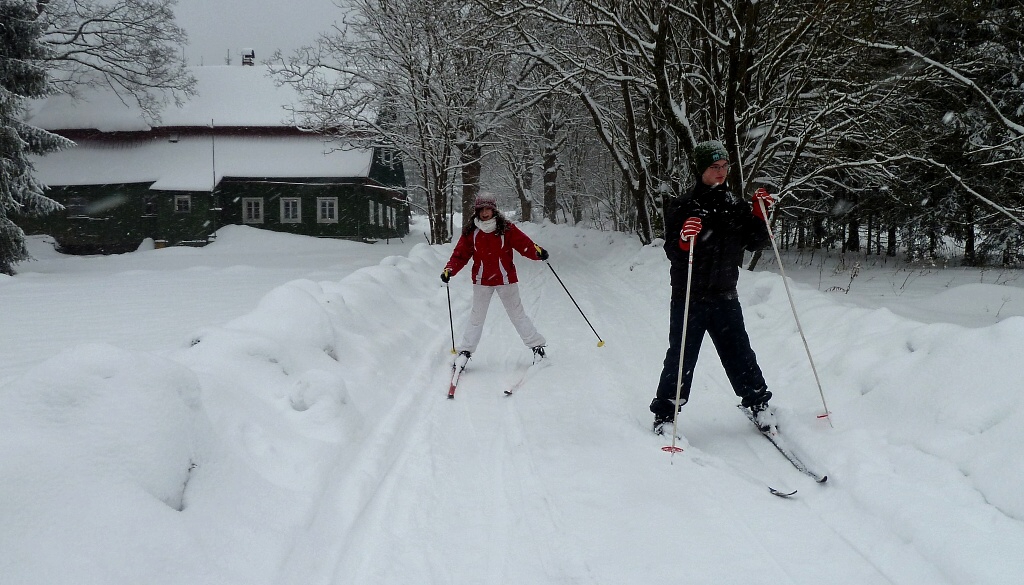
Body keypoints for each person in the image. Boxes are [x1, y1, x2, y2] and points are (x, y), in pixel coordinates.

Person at [651, 140, 776, 434]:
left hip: (724, 293)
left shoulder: (735, 205)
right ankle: (666, 414)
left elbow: (756, 242)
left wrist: (760, 216)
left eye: (724, 167)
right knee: (682, 355)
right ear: (701, 169)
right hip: (689, 295)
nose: (720, 172)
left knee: (739, 352)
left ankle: (758, 402)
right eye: (714, 167)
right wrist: (684, 239)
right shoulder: (683, 205)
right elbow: (672, 250)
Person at [441, 194, 549, 361]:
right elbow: (460, 255)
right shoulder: (472, 231)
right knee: (476, 317)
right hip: (482, 281)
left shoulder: (506, 228)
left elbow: (524, 245)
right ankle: (466, 351)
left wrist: (537, 252)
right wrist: (449, 269)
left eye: (488, 209)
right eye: (481, 209)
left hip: (506, 280)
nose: (485, 213)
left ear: (494, 210)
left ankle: (537, 347)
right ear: (477, 211)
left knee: (517, 315)